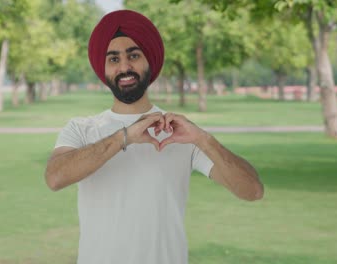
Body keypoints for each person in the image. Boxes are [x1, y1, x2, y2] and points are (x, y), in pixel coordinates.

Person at [44, 9, 264, 264]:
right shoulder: (81, 129)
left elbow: (252, 191)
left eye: (133, 56)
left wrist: (204, 139)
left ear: (150, 60)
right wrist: (124, 138)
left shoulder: (180, 133)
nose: (125, 67)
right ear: (103, 68)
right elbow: (55, 177)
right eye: (113, 59)